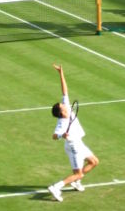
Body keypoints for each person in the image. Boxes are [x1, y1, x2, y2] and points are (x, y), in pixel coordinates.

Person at [48, 64, 99, 202]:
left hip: (78, 144)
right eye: (62, 105)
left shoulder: (67, 109)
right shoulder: (61, 123)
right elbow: (54, 136)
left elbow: (64, 91)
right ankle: (56, 187)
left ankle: (76, 181)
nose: (64, 104)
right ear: (61, 112)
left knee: (94, 162)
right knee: (77, 174)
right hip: (74, 148)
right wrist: (61, 135)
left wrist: (61, 73)